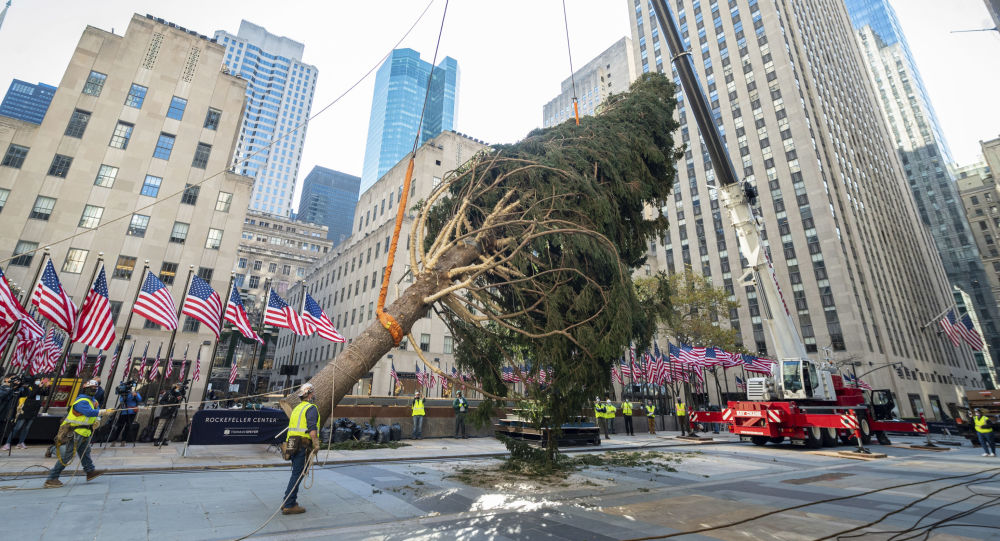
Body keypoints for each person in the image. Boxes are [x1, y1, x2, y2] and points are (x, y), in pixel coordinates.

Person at [44, 379, 105, 488]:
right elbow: (89, 412)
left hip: (85, 431)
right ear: (85, 389)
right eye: (92, 389)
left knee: (85, 452)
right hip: (74, 432)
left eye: (95, 389)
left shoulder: (93, 401)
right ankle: (52, 478)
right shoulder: (81, 401)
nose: (94, 391)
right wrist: (102, 412)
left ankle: (90, 471)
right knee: (67, 456)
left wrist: (97, 420)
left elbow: (94, 413)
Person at [282, 383, 319, 515]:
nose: (313, 395)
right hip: (302, 445)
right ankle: (289, 504)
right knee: (297, 475)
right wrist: (316, 444)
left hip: (292, 444)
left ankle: (287, 500)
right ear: (309, 394)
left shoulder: (297, 408)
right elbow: (312, 428)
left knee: (295, 473)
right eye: (312, 393)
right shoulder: (311, 408)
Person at [3, 377, 49, 450]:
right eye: (37, 380)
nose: (39, 381)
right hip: (26, 410)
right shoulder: (30, 387)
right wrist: (38, 387)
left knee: (27, 427)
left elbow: (45, 393)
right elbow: (31, 395)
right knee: (18, 427)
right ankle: (7, 443)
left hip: (34, 410)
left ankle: (21, 442)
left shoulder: (39, 388)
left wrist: (47, 387)